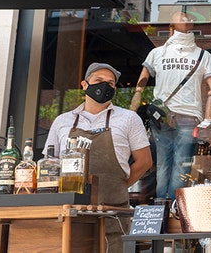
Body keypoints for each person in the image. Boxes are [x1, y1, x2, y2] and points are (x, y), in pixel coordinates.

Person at [45, 62, 152, 252]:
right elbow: (50, 164)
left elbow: (145, 162)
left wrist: (118, 184)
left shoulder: (129, 119)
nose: (105, 86)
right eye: (99, 80)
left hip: (112, 211)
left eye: (110, 84)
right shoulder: (63, 121)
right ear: (85, 84)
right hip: (69, 209)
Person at [130, 11, 211, 201]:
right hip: (161, 116)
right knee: (162, 163)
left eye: (189, 17)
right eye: (181, 16)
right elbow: (141, 83)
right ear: (171, 23)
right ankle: (163, 206)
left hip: (189, 116)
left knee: (180, 164)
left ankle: (173, 209)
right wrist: (132, 110)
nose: (186, 19)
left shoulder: (204, 56)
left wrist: (208, 120)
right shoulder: (157, 53)